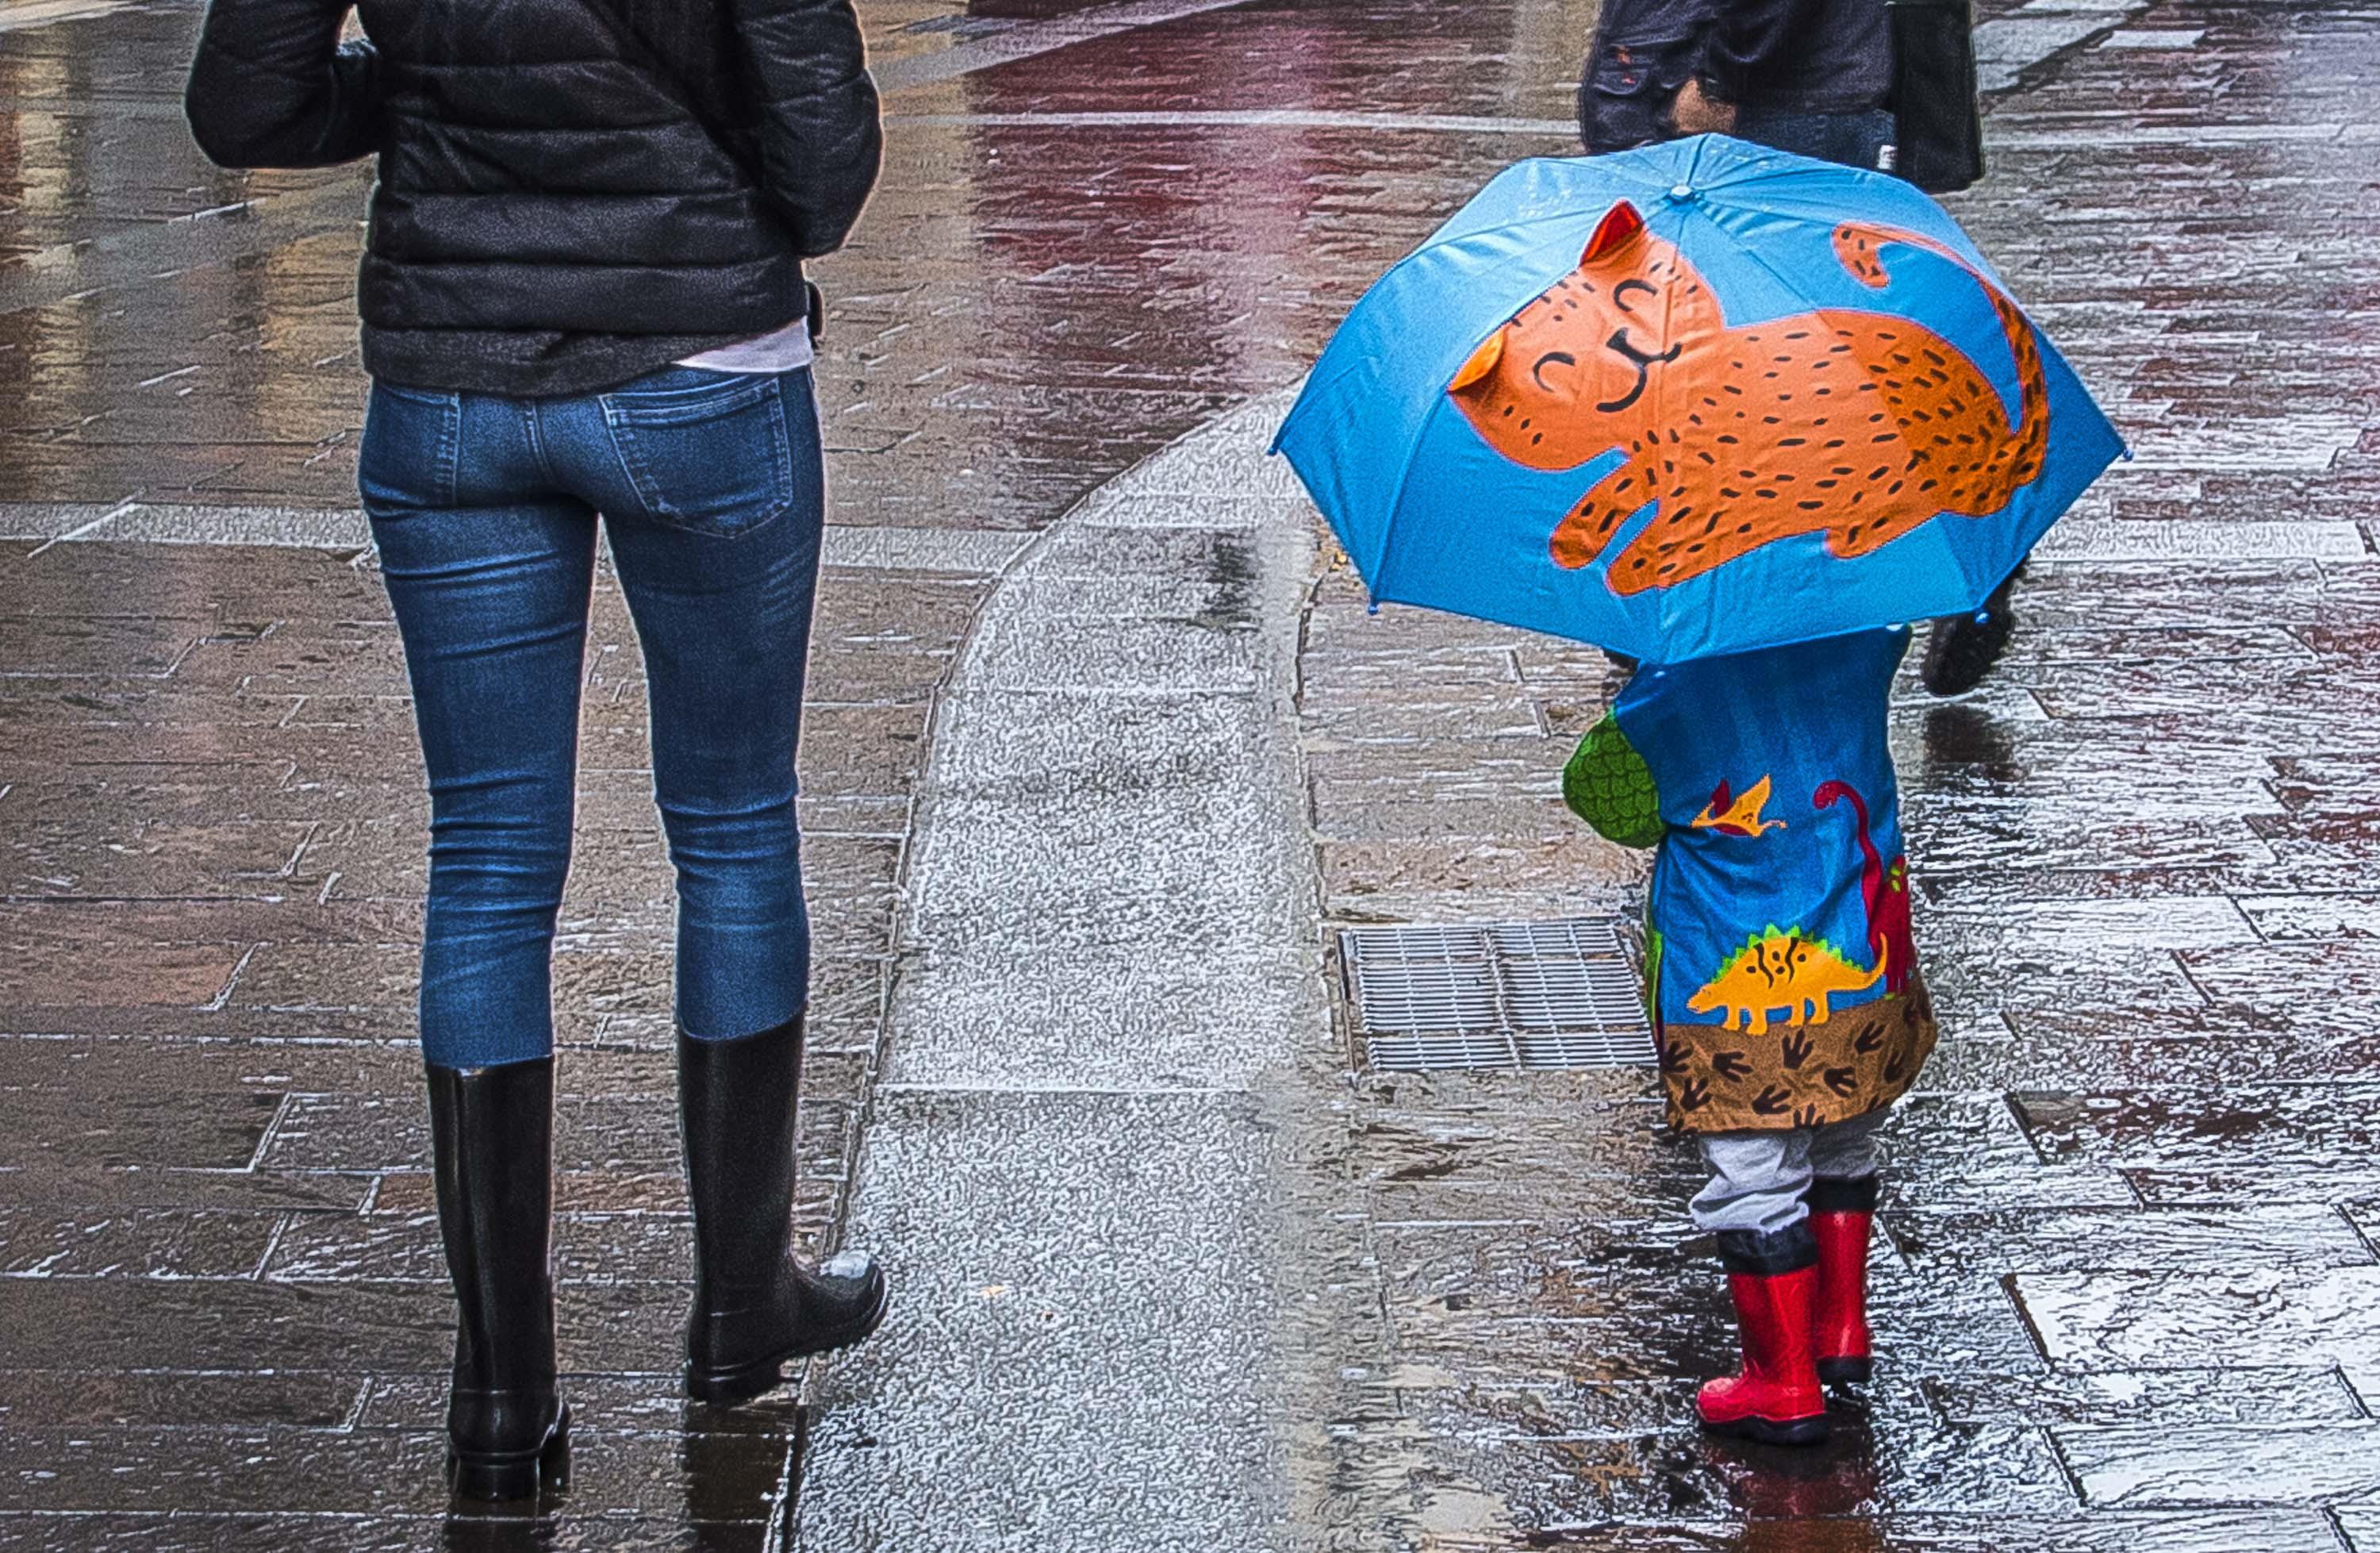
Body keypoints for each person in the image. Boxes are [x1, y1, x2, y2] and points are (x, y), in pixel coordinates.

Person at [186, 0, 889, 1501]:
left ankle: (501, 1394)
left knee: (490, 866)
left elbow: (249, 107)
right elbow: (828, 168)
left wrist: (441, 94)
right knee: (735, 828)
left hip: (450, 384)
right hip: (703, 372)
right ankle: (738, 1311)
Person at [1576, 0, 2020, 694]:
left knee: (1733, 361)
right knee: (1847, 349)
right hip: (1841, 85)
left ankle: (1689, 607)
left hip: (1786, 93)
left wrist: (1721, 79)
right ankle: (1973, 553)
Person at [1564, 629, 1939, 1445]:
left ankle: (1784, 1380)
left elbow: (1607, 801)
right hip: (1859, 955)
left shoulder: (1672, 693)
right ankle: (1841, 1333)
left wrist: (1632, 701)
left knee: (1754, 1164)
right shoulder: (1867, 643)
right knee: (1845, 1135)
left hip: (1737, 991)